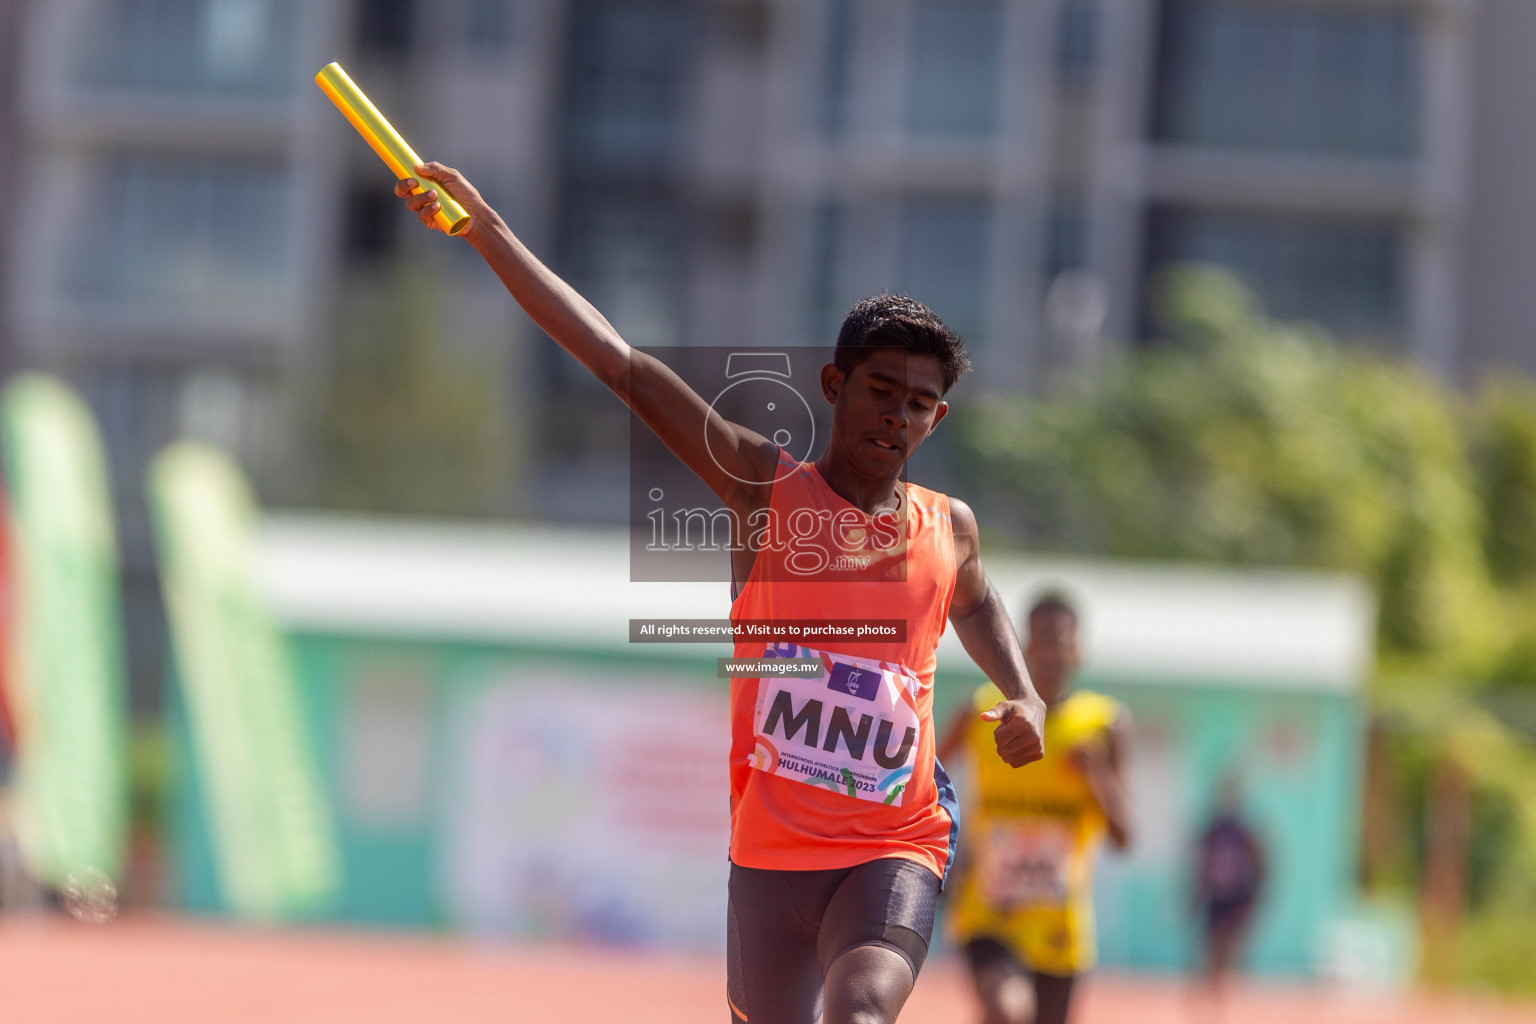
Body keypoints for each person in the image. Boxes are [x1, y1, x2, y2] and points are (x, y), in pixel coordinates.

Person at [392, 165, 1047, 1024]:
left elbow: (974, 600)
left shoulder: (947, 524)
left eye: (919, 404)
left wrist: (1023, 691)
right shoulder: (763, 491)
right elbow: (622, 367)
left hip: (895, 842)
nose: (897, 416)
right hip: (771, 853)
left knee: (857, 1017)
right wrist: (487, 233)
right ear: (834, 385)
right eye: (881, 391)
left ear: (938, 421)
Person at [937, 591, 1131, 1024]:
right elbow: (925, 772)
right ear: (1023, 646)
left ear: (1078, 649)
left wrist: (1097, 775)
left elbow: (1125, 837)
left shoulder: (1104, 724)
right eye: (1042, 639)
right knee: (1008, 1010)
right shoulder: (985, 710)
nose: (1052, 652)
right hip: (989, 910)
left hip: (1061, 924)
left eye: (1062, 640)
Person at [1192, 775, 1265, 1020]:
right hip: (1216, 898)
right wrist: (1195, 897)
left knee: (1225, 950)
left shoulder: (1245, 831)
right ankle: (1213, 1004)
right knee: (1210, 952)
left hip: (1236, 899)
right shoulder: (1212, 829)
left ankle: (1221, 1005)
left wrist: (1255, 897)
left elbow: (1260, 863)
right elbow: (1200, 866)